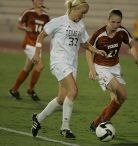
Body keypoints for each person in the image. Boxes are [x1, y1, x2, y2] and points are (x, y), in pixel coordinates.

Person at [30, 0, 106, 139]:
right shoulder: (58, 21)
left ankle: (38, 119)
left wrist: (97, 51)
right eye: (82, 13)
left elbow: (84, 44)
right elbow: (41, 35)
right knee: (74, 91)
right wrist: (37, 53)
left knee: (61, 98)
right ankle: (65, 128)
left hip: (72, 64)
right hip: (58, 62)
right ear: (75, 8)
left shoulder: (81, 25)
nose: (83, 16)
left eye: (85, 14)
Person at [85, 9, 138, 132]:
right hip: (101, 68)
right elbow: (88, 51)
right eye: (113, 22)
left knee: (117, 99)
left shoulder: (122, 31)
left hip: (115, 67)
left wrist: (136, 56)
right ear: (108, 20)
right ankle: (103, 121)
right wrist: (92, 69)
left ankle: (96, 123)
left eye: (118, 22)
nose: (116, 25)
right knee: (122, 95)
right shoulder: (99, 34)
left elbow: (131, 44)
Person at [8, 0, 50, 101]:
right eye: (37, 0)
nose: (39, 1)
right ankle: (31, 90)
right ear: (33, 1)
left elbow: (48, 30)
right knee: (40, 66)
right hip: (29, 44)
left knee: (27, 68)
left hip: (37, 46)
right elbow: (19, 25)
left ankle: (14, 90)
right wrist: (26, 28)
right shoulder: (28, 13)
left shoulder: (46, 16)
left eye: (41, 0)